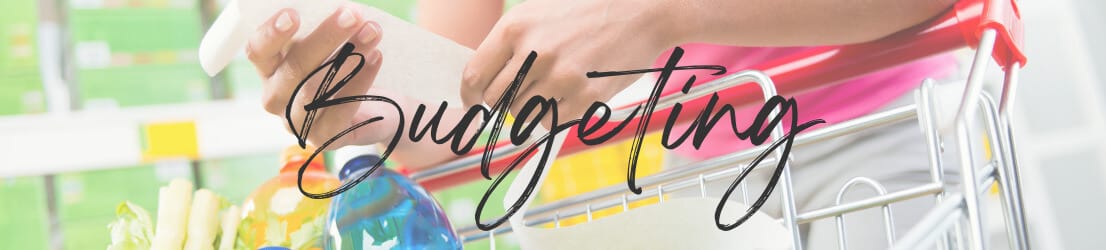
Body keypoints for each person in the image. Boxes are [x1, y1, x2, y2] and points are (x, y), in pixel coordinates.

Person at [245, 0, 961, 248]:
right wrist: (365, 109)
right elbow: (455, 102)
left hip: (876, 130)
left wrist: (661, 14)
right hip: (705, 177)